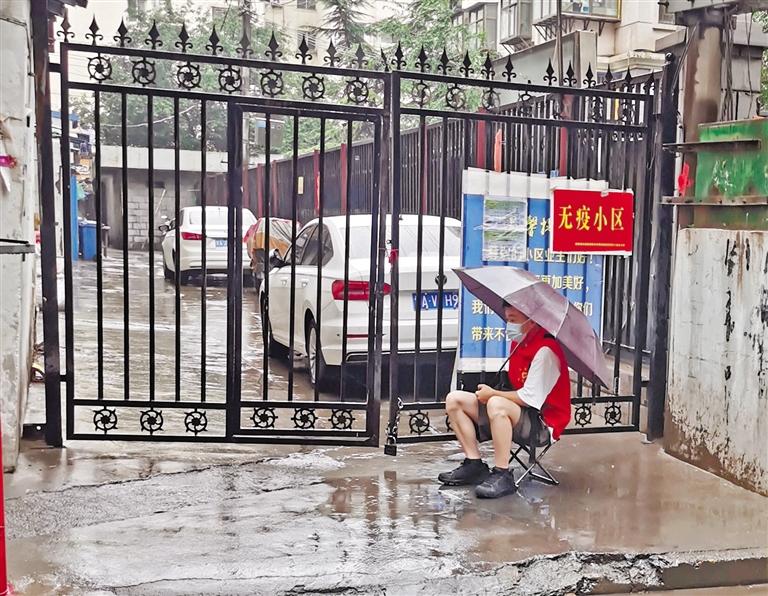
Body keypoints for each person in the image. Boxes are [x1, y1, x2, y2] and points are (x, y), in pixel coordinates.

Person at [439, 302, 572, 498]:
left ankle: (503, 474)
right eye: (507, 319)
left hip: (542, 423)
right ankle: (474, 464)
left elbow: (529, 398)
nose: (509, 326)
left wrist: (492, 394)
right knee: (454, 400)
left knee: (496, 403)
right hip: (521, 414)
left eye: (513, 320)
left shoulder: (546, 350)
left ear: (532, 320)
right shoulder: (519, 342)